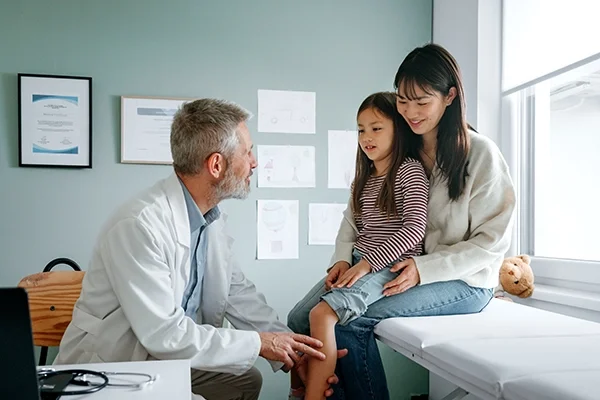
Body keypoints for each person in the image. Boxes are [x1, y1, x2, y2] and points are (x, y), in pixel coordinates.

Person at [55, 98, 344, 400]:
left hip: (160, 356)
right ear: (216, 165)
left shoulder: (209, 219)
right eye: (248, 152)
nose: (254, 162)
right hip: (115, 366)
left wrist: (293, 352)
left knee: (244, 382)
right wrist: (260, 343)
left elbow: (239, 295)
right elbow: (164, 334)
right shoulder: (139, 226)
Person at [287, 43, 516, 400]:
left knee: (349, 317)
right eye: (403, 101)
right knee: (309, 317)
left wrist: (423, 269)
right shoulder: (402, 148)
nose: (411, 111)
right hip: (399, 265)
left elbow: (492, 244)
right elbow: (355, 215)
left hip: (465, 281)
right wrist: (342, 259)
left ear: (450, 96)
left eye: (422, 102)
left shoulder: (480, 153)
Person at [294, 92, 429, 400]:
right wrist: (342, 261)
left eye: (376, 128)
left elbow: (414, 231)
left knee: (322, 315)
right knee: (298, 318)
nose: (367, 137)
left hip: (389, 266)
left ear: (399, 129)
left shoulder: (410, 171)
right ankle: (313, 390)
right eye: (361, 129)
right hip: (360, 261)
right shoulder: (363, 179)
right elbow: (354, 229)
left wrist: (367, 264)